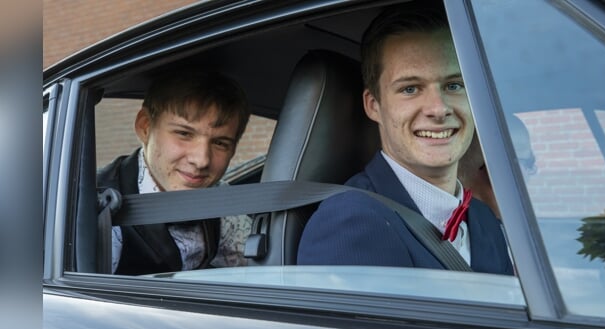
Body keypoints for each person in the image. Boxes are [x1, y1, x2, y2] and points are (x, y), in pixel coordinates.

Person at [297, 2, 513, 275]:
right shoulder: (349, 223)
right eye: (410, 88)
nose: (439, 108)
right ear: (374, 105)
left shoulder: (486, 221)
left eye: (454, 85)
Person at [97, 69, 252, 275]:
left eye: (220, 143)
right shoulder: (99, 212)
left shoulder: (220, 203)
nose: (201, 160)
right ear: (145, 127)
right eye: (184, 134)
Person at [458, 115, 537, 219]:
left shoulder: (513, 226)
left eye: (529, 163)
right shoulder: (460, 230)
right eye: (517, 163)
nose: (526, 175)